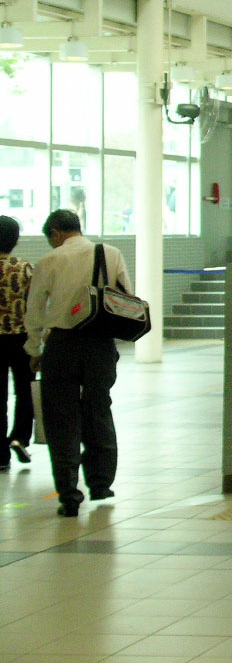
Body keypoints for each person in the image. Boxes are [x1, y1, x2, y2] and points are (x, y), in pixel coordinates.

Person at [25, 210, 130, 516]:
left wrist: (34, 350)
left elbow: (35, 312)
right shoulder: (111, 254)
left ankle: (70, 494)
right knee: (98, 408)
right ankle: (100, 484)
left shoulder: (50, 261)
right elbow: (126, 298)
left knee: (61, 419)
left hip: (63, 345)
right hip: (100, 344)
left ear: (55, 233)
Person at [0, 215, 34, 471]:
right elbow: (35, 305)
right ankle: (19, 437)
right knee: (25, 390)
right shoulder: (24, 267)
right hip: (21, 339)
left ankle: (0, 454)